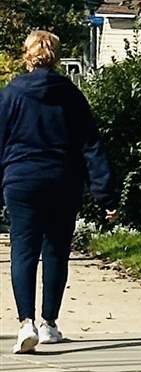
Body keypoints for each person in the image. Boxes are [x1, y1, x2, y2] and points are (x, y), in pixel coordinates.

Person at [0, 29, 115, 354]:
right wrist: (105, 193)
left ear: (27, 55)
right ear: (55, 56)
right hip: (63, 180)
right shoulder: (71, 95)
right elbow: (91, 145)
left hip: (21, 180)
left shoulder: (10, 95)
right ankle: (50, 324)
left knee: (23, 251)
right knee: (55, 252)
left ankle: (26, 324)